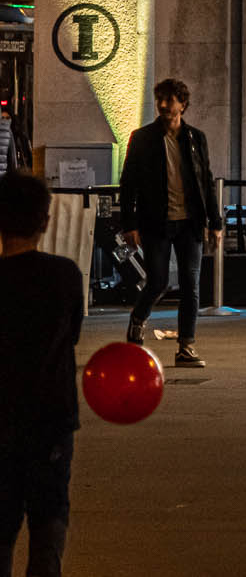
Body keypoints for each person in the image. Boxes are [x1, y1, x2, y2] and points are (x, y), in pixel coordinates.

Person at [0, 171, 82, 577]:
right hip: (50, 418)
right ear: (45, 221)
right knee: (48, 518)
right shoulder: (65, 276)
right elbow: (73, 336)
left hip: (0, 421)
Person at [119, 78, 222, 368]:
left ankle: (186, 346)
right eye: (160, 100)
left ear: (183, 104)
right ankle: (138, 319)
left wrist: (215, 222)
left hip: (190, 222)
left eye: (170, 100)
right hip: (156, 221)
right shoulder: (143, 138)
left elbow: (206, 182)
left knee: (191, 284)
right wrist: (129, 224)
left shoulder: (195, 138)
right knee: (158, 281)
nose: (164, 105)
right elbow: (128, 184)